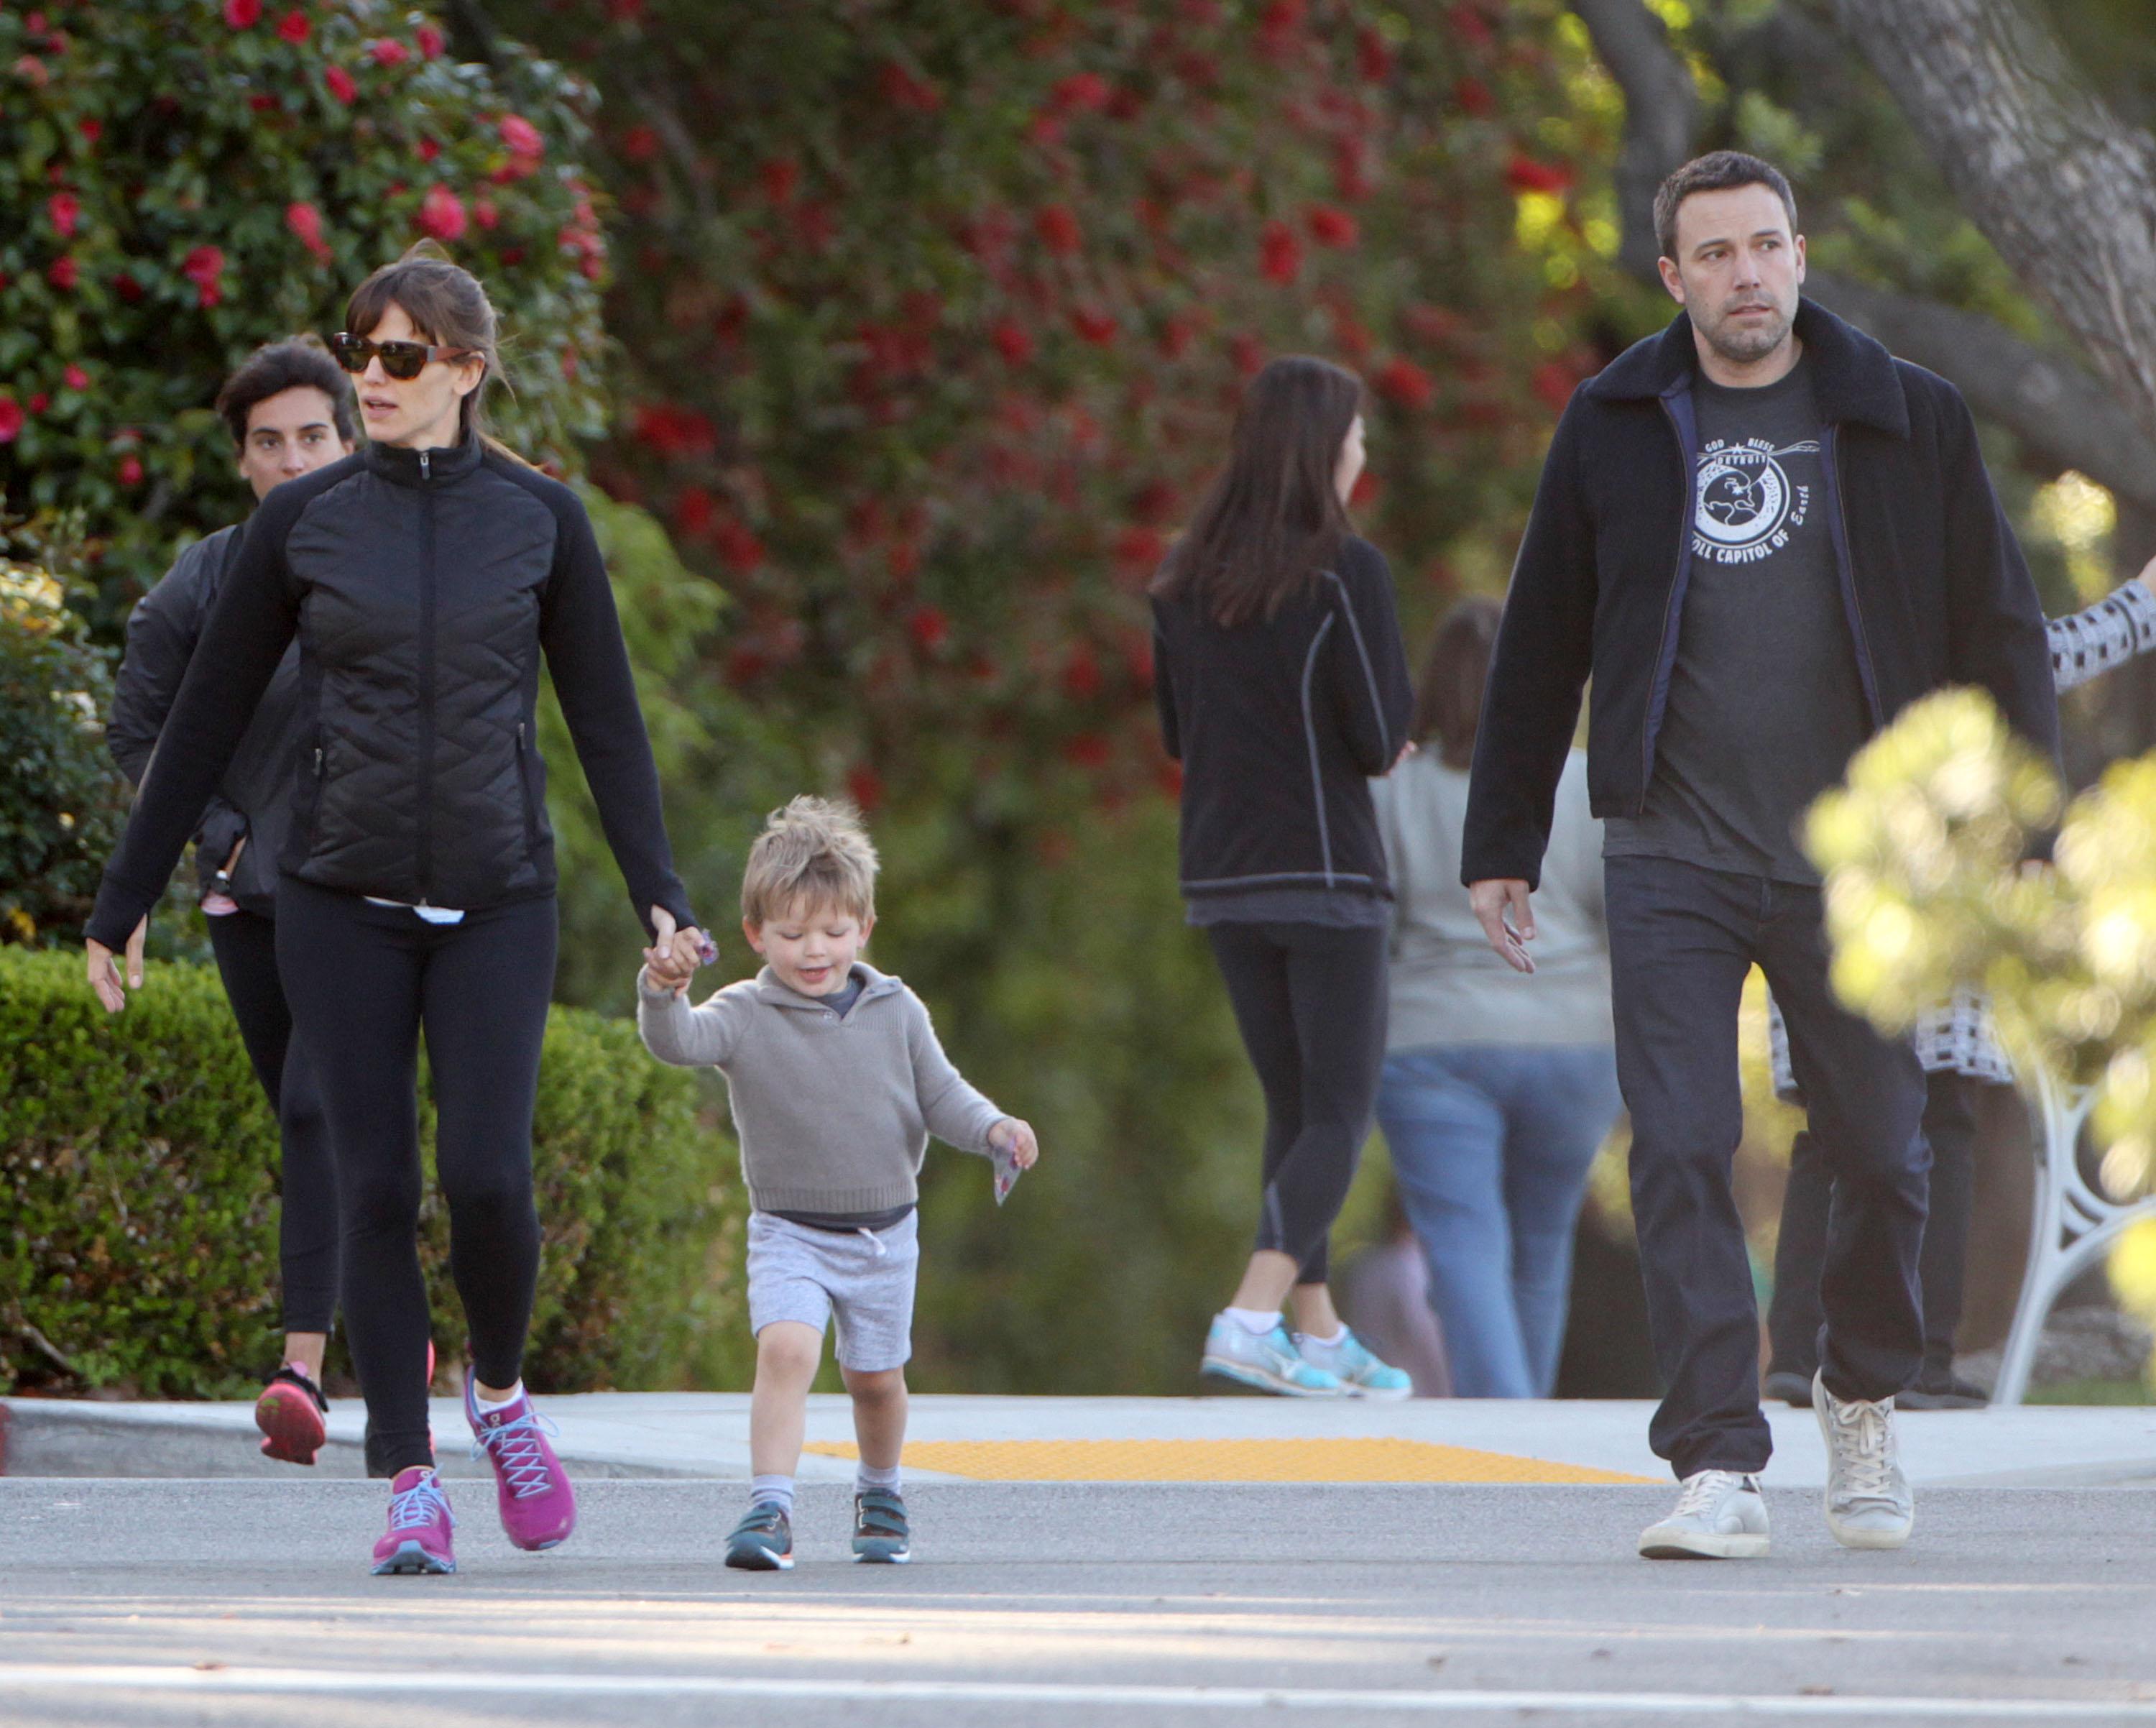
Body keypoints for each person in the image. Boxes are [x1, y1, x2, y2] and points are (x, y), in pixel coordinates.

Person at [1460, 152, 2058, 1561]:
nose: (1745, 273)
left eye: (1766, 245)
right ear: (1673, 277)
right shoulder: (1613, 419)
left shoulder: (1908, 414)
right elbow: (1542, 635)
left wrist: (2016, 829)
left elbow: (2004, 626)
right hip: (1670, 844)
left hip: (1864, 855)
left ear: (1801, 255)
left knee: (1888, 1151)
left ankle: (1857, 1390)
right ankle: (1718, 1458)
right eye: (1714, 253)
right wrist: (1503, 838)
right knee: (1677, 1142)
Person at [81, 245, 710, 1577]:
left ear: (468, 372)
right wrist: (126, 892)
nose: (371, 375)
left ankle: (499, 1388)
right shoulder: (300, 525)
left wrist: (663, 891)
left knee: (486, 1174)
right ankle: (411, 1479)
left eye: (400, 356)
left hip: (497, 897)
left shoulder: (543, 522)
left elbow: (606, 721)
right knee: (376, 1184)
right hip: (335, 896)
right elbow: (196, 727)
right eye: (361, 349)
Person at [1764, 564, 2156, 1410]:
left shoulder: (1811, 599)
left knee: (1829, 1136)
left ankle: (1797, 1355)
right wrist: (2143, 605)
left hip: (1819, 890)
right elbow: (2044, 652)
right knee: (1941, 1125)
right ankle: (1919, 1361)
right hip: (1933, 898)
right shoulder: (1948, 602)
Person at [636, 796, 1040, 1570]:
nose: (813, 950)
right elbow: (677, 1042)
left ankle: (881, 1489)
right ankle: (770, 1508)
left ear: (865, 929)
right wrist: (662, 991)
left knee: (875, 1380)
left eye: (832, 931)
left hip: (885, 1236)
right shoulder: (746, 1011)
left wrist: (995, 1128)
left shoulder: (897, 1009)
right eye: (790, 934)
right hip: (788, 1230)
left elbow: (942, 1095)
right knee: (786, 1349)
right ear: (756, 935)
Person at [106, 338, 354, 1465]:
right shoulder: (202, 584)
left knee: (317, 1107)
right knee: (322, 1125)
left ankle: (299, 1369)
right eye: (270, 442)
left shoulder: (395, 569)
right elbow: (141, 725)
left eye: (314, 435)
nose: (293, 458)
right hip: (244, 895)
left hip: (374, 896)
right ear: (244, 461)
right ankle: (388, 1321)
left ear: (351, 443)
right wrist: (197, 843)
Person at [1151, 355, 1416, 1400]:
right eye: (1356, 432)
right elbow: (1384, 730)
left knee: (1294, 1104)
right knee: (1340, 1111)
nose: (1364, 449)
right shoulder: (1347, 574)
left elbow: (1180, 733)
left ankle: (1316, 1332)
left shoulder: (1179, 579)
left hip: (1222, 874)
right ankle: (1253, 1314)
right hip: (1330, 872)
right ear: (1324, 446)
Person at [1373, 597, 1622, 1399]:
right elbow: (1627, 921)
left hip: (1430, 1042)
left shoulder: (1394, 794)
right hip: (1573, 1040)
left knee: (1462, 1245)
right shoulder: (1587, 784)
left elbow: (1372, 925)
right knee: (1543, 1244)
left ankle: (1503, 1427)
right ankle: (1525, 1429)